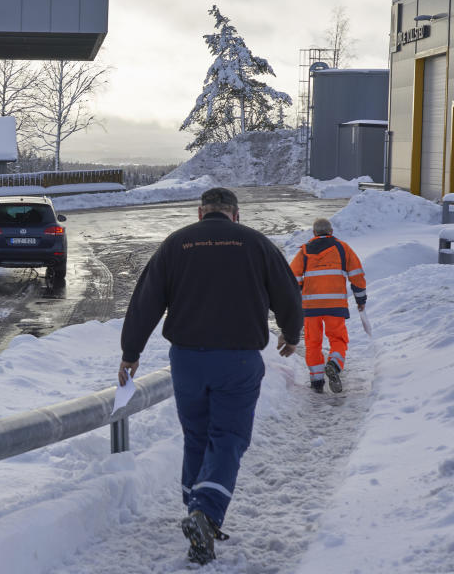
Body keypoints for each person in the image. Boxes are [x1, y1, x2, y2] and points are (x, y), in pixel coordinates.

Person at [118, 187, 302, 565]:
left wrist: (131, 352)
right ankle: (206, 511)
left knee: (197, 435)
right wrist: (291, 333)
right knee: (229, 436)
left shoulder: (177, 244)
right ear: (235, 215)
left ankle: (195, 510)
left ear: (201, 213)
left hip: (186, 361)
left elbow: (146, 299)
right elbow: (288, 293)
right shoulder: (256, 243)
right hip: (237, 359)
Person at [289, 217, 367, 394]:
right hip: (335, 305)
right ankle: (334, 364)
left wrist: (296, 298)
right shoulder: (342, 248)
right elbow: (357, 274)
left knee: (313, 342)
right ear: (331, 232)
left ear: (314, 233)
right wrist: (360, 300)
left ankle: (317, 381)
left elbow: (292, 278)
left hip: (311, 307)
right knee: (338, 338)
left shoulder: (304, 251)